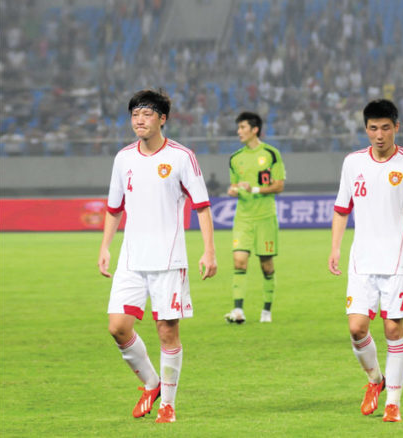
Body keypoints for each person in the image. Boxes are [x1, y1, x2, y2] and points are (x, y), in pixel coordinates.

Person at [98, 89, 217, 423]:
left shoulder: (181, 157)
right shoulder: (123, 159)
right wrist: (105, 247)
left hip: (168, 260)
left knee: (167, 332)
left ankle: (168, 404)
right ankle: (152, 383)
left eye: (147, 114)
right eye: (135, 113)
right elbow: (113, 208)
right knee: (117, 327)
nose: (139, 119)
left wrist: (209, 251)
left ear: (162, 119)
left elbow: (203, 207)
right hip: (131, 259)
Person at [329, 99, 403, 423]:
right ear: (366, 129)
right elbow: (342, 209)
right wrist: (335, 249)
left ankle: (394, 402)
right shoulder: (353, 163)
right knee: (357, 328)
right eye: (373, 128)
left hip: (398, 260)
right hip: (362, 260)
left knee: (392, 327)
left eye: (385, 127)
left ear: (396, 128)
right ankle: (375, 380)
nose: (379, 134)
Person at [225, 112, 286, 324]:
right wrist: (233, 190)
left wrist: (255, 189)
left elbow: (279, 186)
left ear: (254, 130)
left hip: (265, 217)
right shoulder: (235, 158)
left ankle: (266, 311)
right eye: (238, 128)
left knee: (266, 266)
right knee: (239, 261)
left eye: (242, 127)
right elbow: (233, 185)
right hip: (243, 217)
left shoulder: (271, 154)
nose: (238, 131)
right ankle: (238, 310)